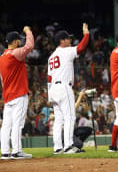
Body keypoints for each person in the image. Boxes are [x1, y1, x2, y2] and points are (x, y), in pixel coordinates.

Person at [48, 23, 90, 154]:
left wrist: (50, 95)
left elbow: (49, 78)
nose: (70, 40)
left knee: (58, 120)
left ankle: (57, 147)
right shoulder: (66, 51)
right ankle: (68, 146)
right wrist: (86, 34)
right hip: (64, 87)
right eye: (68, 38)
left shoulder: (51, 57)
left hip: (53, 89)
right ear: (61, 40)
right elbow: (81, 47)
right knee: (70, 117)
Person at [0, 26, 34, 160]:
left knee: (6, 124)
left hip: (8, 96)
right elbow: (30, 46)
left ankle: (5, 152)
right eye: (19, 40)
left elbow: (2, 80)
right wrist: (28, 31)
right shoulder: (15, 54)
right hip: (19, 94)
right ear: (14, 42)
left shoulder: (1, 58)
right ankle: (17, 151)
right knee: (17, 124)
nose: (20, 42)